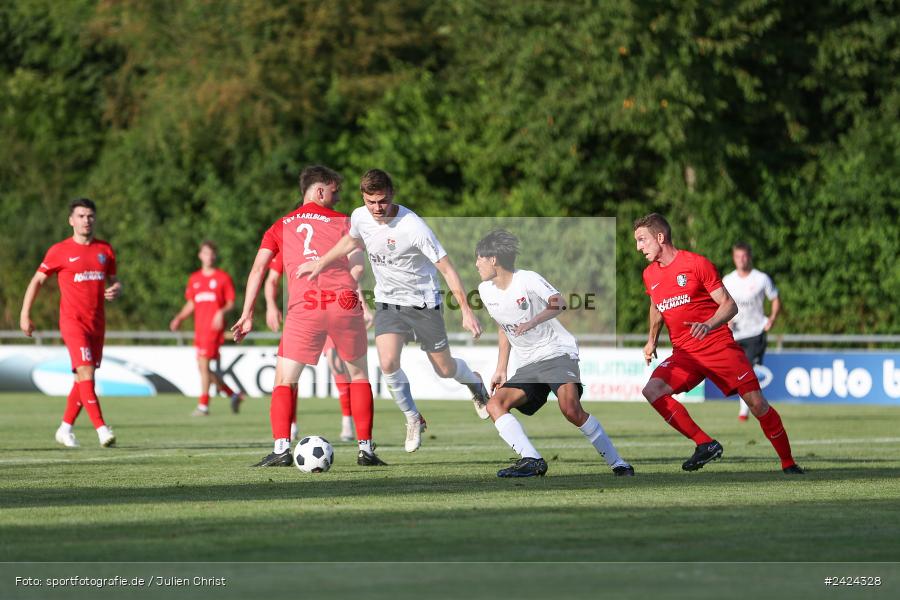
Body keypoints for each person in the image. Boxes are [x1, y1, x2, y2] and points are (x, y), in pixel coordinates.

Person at [297, 168, 490, 453]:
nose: (377, 208)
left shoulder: (414, 226)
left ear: (392, 195)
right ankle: (413, 418)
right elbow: (350, 241)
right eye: (371, 201)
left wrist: (466, 311)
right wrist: (320, 263)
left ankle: (474, 383)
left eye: (382, 201)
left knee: (445, 369)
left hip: (424, 304)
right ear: (363, 198)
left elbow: (447, 269)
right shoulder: (360, 217)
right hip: (389, 302)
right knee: (387, 362)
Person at [232, 165, 385, 467]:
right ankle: (365, 450)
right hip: (344, 305)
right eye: (334, 191)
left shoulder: (280, 226)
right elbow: (357, 267)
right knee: (358, 376)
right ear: (319, 190)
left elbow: (258, 270)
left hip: (305, 309)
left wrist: (248, 313)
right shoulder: (347, 223)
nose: (338, 197)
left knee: (285, 380)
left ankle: (280, 450)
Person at [633, 213, 803, 474]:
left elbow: (729, 305)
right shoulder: (649, 274)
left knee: (757, 404)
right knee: (652, 391)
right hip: (685, 354)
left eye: (642, 240)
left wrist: (708, 324)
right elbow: (656, 307)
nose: (638, 247)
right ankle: (705, 444)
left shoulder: (696, 264)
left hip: (717, 346)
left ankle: (788, 463)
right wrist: (651, 341)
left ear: (660, 237)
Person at [475, 230, 634, 478]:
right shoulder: (485, 291)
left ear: (493, 259)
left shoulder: (527, 279)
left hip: (557, 352)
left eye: (479, 259)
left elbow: (558, 302)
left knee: (571, 409)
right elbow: (502, 326)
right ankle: (533, 460)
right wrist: (501, 367)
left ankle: (618, 463)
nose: (476, 264)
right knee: (495, 404)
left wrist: (533, 322)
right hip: (529, 363)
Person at [19, 198, 122, 448]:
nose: (86, 220)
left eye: (90, 216)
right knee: (85, 371)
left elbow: (114, 280)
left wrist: (116, 288)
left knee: (83, 377)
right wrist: (25, 314)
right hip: (72, 321)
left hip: (97, 322)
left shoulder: (105, 250)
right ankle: (101, 429)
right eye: (81, 216)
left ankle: (65, 429)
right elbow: (37, 281)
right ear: (71, 220)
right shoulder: (59, 251)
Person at [265, 249, 374, 441]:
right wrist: (271, 306)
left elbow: (352, 278)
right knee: (289, 374)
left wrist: (362, 305)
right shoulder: (291, 247)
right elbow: (271, 279)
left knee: (337, 365)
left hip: (333, 309)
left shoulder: (332, 247)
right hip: (305, 314)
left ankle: (347, 423)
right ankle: (291, 427)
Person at [169, 241, 244, 416]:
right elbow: (191, 303)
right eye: (205, 253)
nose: (208, 256)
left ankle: (203, 406)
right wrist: (179, 318)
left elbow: (231, 302)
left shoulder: (223, 278)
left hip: (213, 329)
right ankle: (233, 395)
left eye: (211, 253)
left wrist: (221, 312)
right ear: (200, 255)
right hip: (200, 329)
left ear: (215, 256)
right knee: (203, 368)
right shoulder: (194, 278)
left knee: (203, 366)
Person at [722, 242, 781, 421]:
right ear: (734, 258)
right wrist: (726, 319)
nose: (741, 259)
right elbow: (721, 304)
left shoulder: (761, 278)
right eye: (738, 256)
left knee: (748, 370)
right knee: (739, 372)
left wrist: (772, 318)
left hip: (756, 332)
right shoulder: (728, 280)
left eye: (745, 256)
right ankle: (753, 405)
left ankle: (744, 410)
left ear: (750, 257)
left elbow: (775, 299)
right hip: (735, 334)